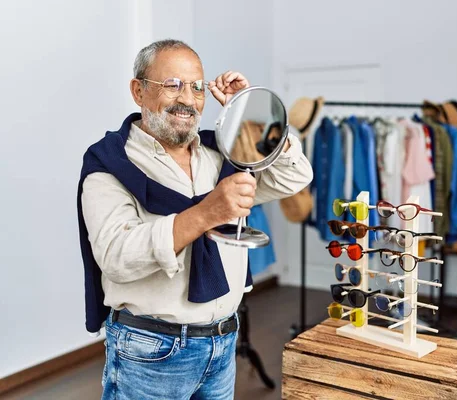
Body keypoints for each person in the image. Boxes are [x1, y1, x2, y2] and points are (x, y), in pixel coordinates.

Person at [77, 39, 313, 399]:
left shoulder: (221, 153)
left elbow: (294, 177)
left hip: (222, 345)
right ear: (138, 91)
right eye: (172, 85)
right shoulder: (109, 165)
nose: (187, 99)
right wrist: (207, 212)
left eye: (197, 86)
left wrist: (248, 111)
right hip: (150, 353)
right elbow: (117, 257)